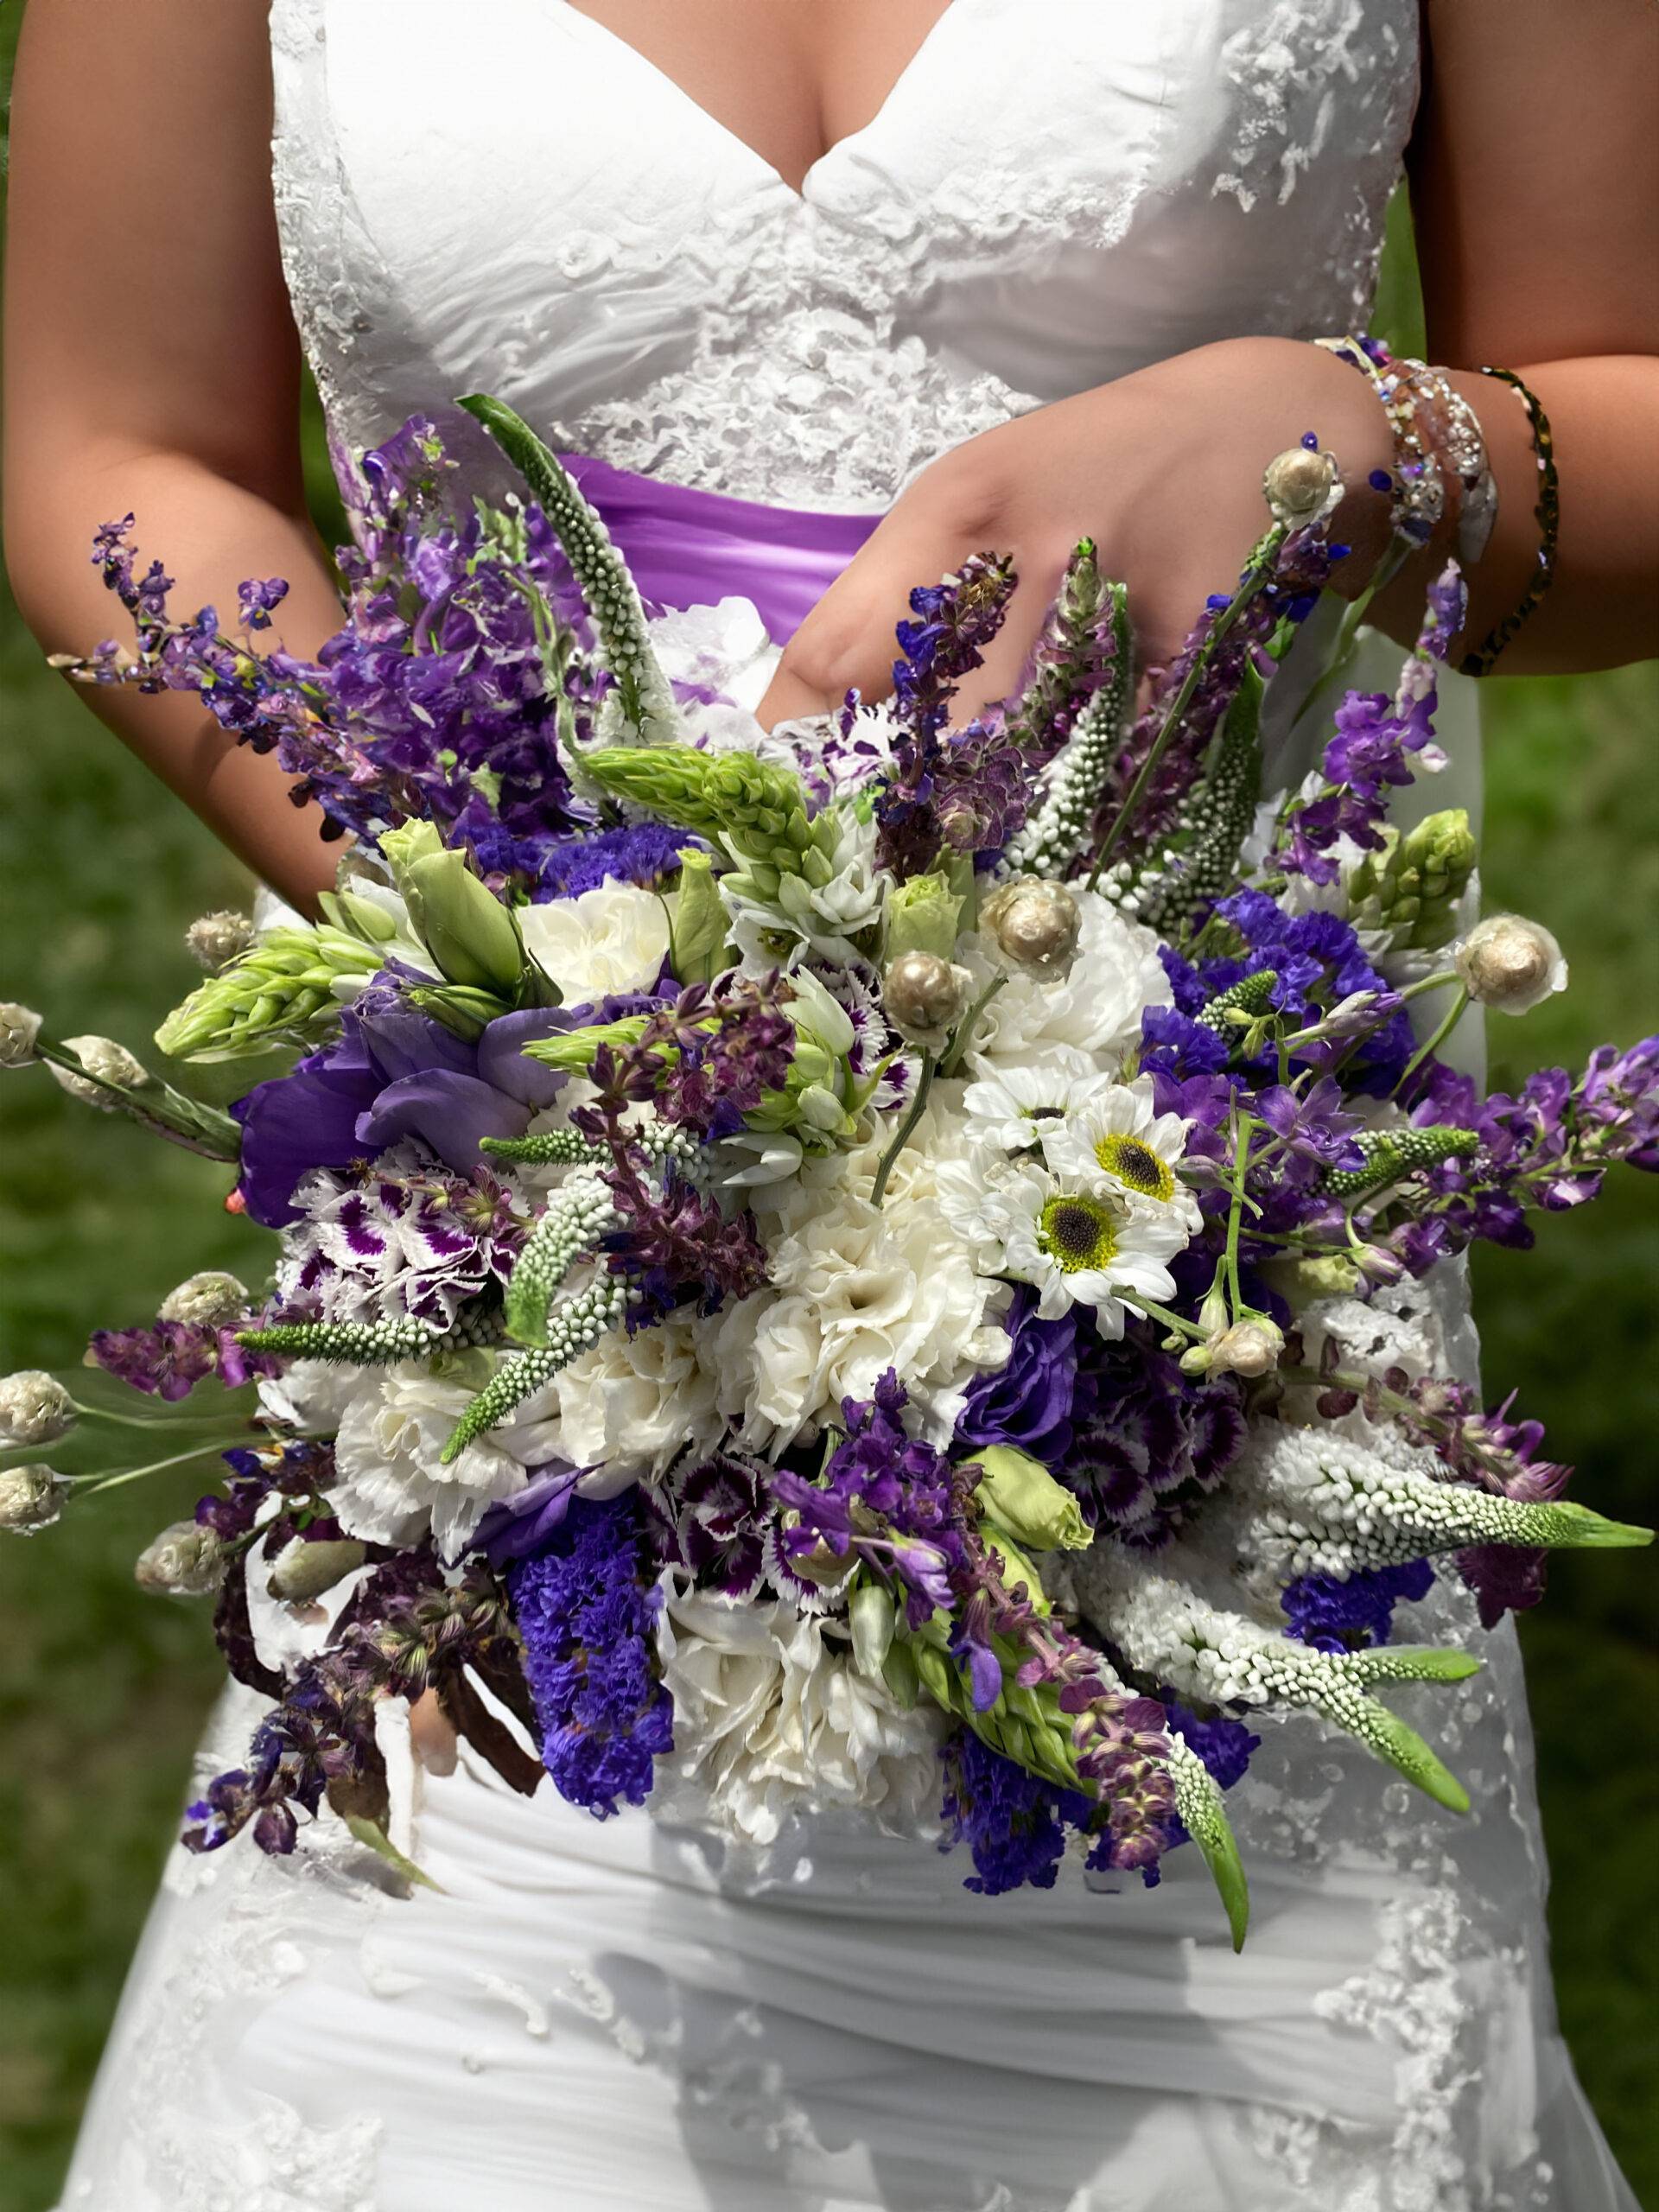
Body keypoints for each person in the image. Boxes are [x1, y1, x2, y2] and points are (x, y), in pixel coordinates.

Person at [5, 3, 1655, 2207]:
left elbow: (1620, 394)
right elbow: (110, 437)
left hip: (1219, 1343)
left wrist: (1364, 441)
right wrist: (555, 978)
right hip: (547, 1379)